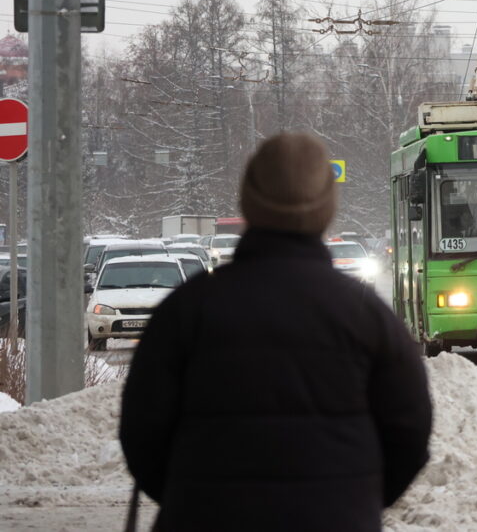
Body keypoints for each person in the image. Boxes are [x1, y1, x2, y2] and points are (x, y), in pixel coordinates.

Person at [120, 132, 432, 532]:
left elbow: (141, 432)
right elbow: (410, 431)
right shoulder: (367, 315)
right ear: (326, 208)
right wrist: (355, 498)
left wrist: (193, 495)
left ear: (248, 201)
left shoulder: (187, 309)